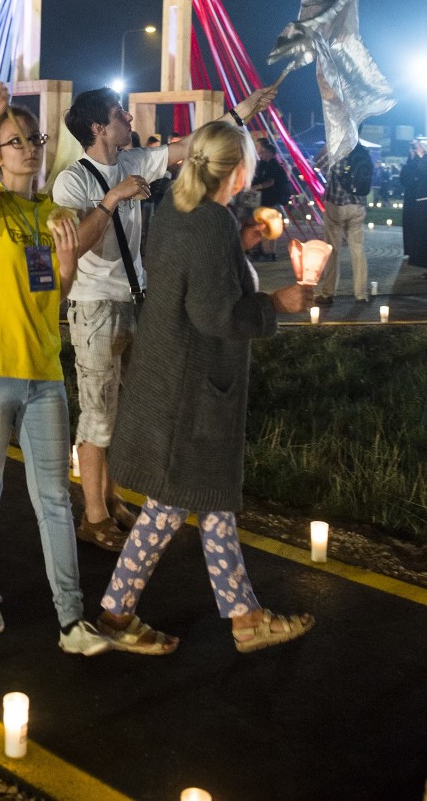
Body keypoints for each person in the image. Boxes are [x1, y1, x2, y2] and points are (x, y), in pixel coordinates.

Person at [98, 119, 315, 655]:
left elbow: (199, 269)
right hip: (191, 392)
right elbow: (216, 312)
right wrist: (279, 305)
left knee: (201, 503)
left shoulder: (177, 207)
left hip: (170, 376)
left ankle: (243, 618)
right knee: (175, 504)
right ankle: (116, 612)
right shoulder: (211, 222)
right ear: (239, 171)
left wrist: (248, 235)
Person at [53, 84, 276, 552]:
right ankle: (92, 516)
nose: (129, 119)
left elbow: (191, 147)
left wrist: (239, 114)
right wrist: (112, 198)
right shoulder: (71, 181)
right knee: (97, 415)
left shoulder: (134, 162)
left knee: (130, 409)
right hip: (94, 306)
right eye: (119, 114)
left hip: (138, 301)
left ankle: (112, 499)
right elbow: (77, 243)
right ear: (98, 127)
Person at [0, 77, 110, 656]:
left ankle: (72, 620)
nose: (28, 147)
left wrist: (68, 265)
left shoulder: (53, 212)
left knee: (53, 500)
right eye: (14, 141)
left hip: (44, 376)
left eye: (32, 138)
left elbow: (54, 291)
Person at [314, 142, 372, 307]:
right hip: (357, 207)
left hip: (336, 206)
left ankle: (328, 292)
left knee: (332, 250)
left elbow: (316, 165)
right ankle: (361, 294)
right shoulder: (362, 151)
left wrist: (326, 148)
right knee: (358, 250)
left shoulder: (336, 152)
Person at [249, 138, 291, 260]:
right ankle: (260, 250)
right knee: (261, 225)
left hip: (271, 200)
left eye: (262, 152)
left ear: (270, 153)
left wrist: (256, 187)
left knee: (269, 226)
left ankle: (270, 252)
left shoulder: (274, 166)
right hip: (263, 200)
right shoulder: (263, 165)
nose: (260, 154)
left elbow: (271, 182)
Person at [400, 138, 427, 271]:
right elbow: (404, 179)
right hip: (412, 199)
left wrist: (421, 156)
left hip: (422, 200)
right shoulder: (411, 162)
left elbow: (423, 171)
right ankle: (412, 252)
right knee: (411, 227)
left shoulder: (424, 160)